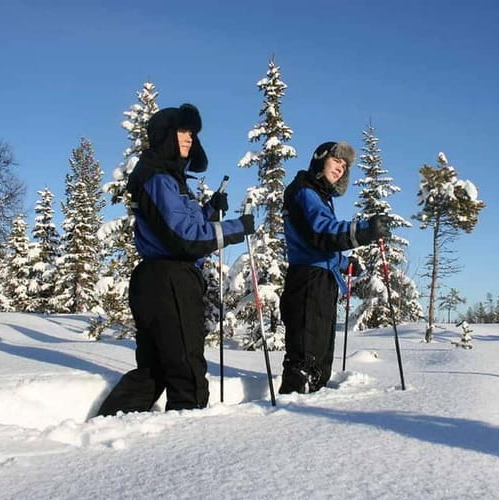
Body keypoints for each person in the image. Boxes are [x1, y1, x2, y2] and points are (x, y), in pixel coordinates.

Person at [97, 103, 254, 415]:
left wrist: (210, 209)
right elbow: (184, 238)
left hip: (158, 279)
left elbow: (180, 225)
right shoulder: (159, 178)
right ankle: (187, 439)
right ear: (165, 134)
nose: (189, 138)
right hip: (170, 280)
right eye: (182, 130)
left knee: (154, 369)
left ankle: (108, 428)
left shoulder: (167, 178)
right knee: (186, 370)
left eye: (192, 133)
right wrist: (237, 228)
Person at [279, 141, 392, 394]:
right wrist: (363, 230)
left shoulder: (319, 196)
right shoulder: (305, 191)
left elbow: (320, 244)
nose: (341, 168)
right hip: (308, 280)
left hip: (321, 278)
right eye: (336, 161)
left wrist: (344, 262)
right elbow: (322, 233)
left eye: (344, 166)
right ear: (320, 159)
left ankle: (310, 404)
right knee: (306, 359)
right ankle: (291, 410)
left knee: (319, 360)